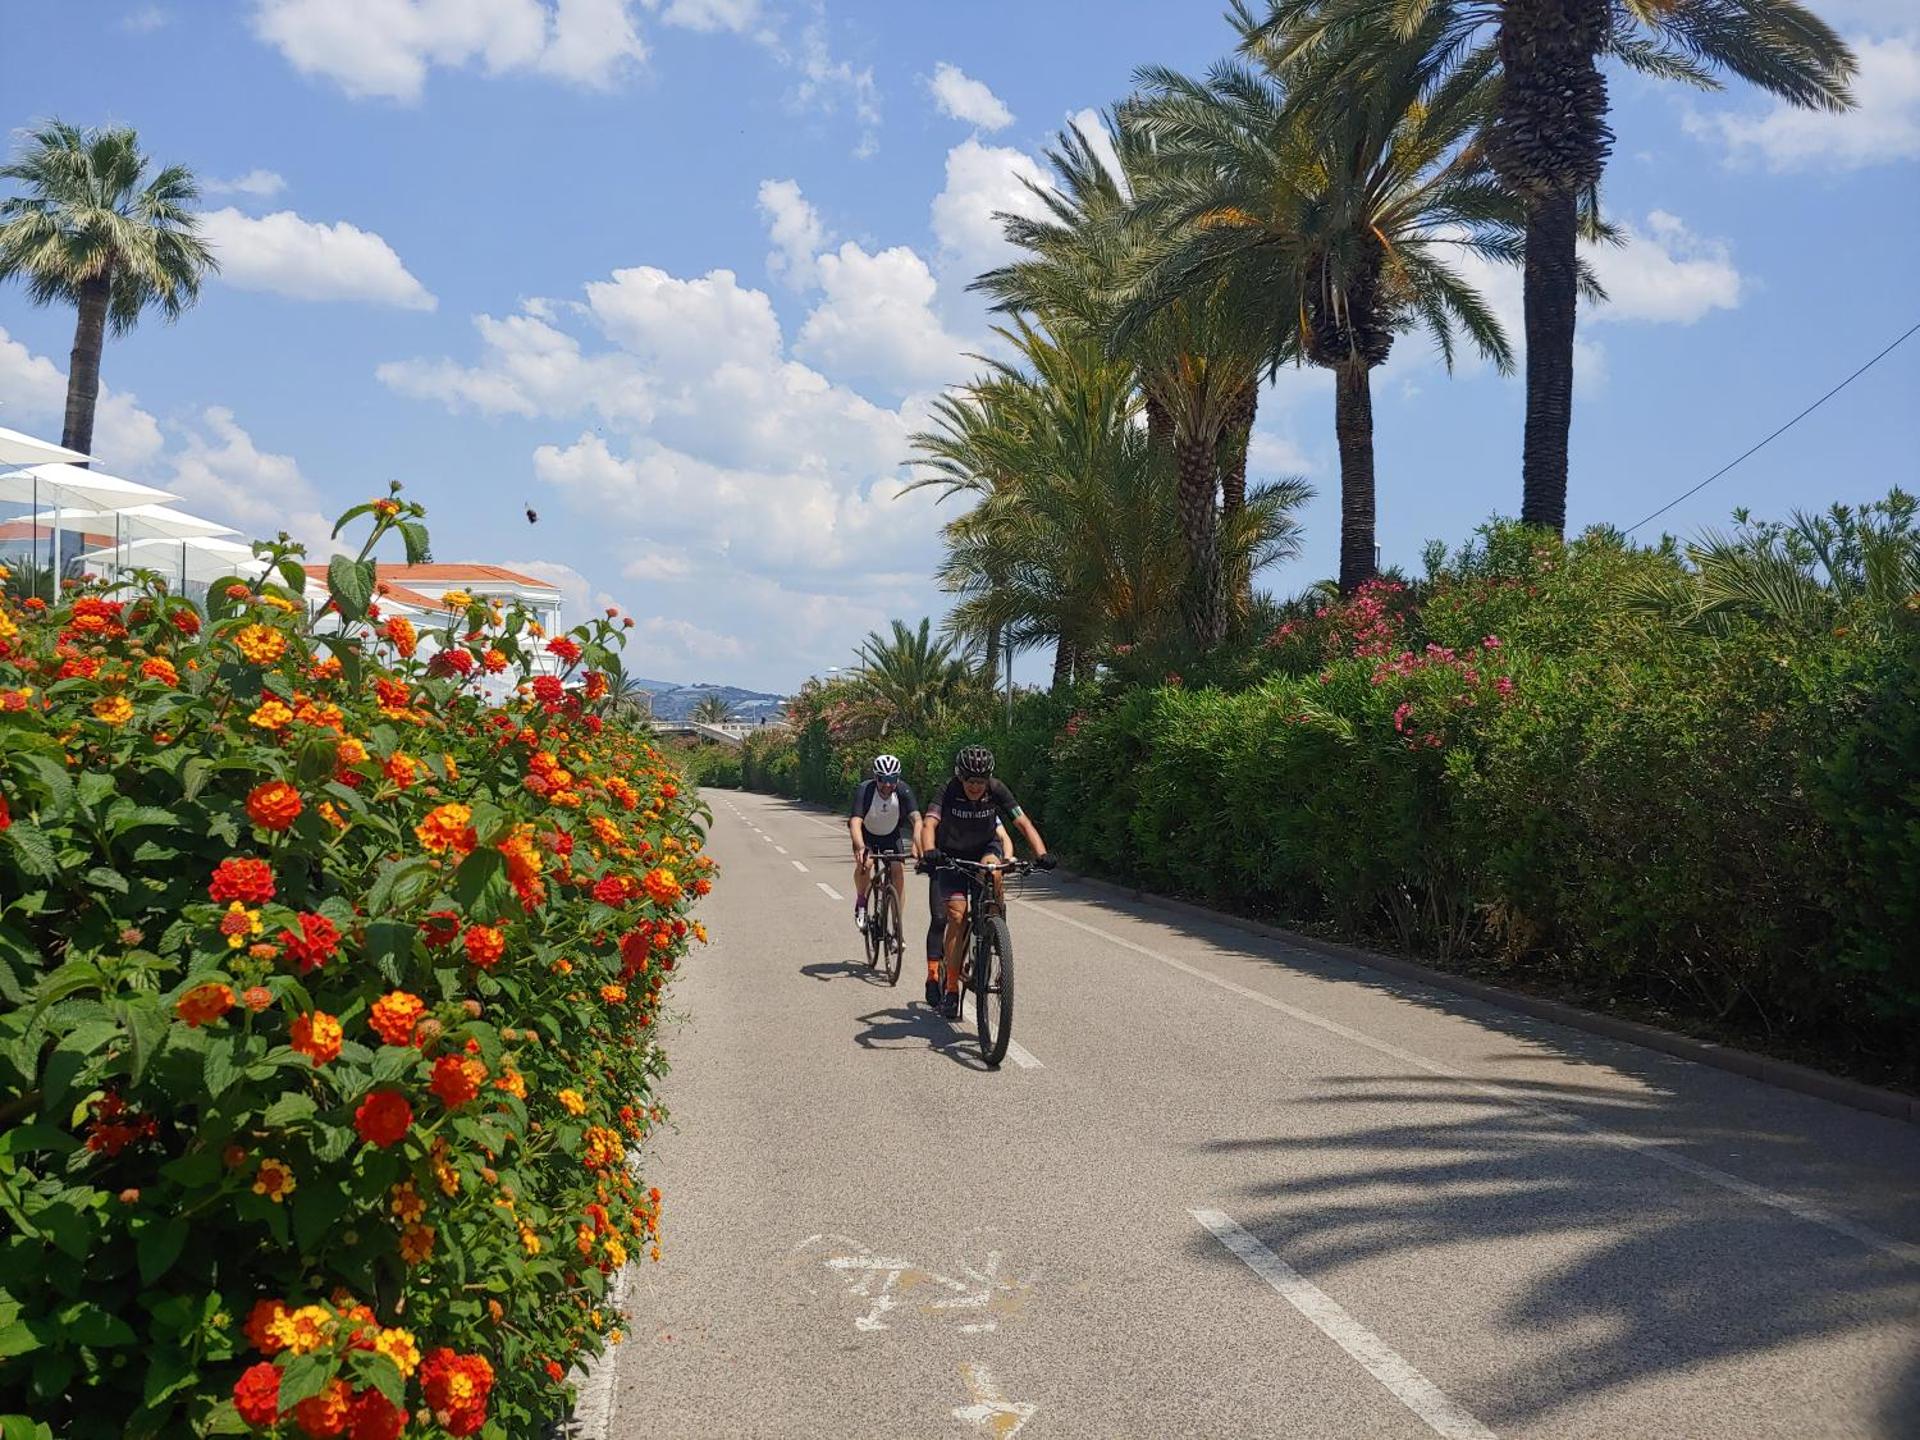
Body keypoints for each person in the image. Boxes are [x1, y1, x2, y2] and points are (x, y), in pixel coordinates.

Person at [916, 745, 1053, 1018]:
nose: (976, 787)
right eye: (970, 781)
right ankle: (951, 987)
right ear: (960, 776)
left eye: (981, 781)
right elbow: (930, 823)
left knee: (994, 870)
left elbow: (1022, 822)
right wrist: (930, 851)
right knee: (957, 916)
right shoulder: (948, 790)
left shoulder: (997, 788)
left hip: (984, 848)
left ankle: (994, 927)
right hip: (951, 855)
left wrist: (1042, 854)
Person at [848, 754, 920, 932]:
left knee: (898, 870)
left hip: (890, 835)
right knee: (865, 864)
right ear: (875, 777)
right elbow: (855, 822)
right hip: (867, 835)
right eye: (882, 779)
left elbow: (917, 820)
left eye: (892, 779)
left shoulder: (903, 790)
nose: (887, 784)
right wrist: (860, 847)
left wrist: (917, 843)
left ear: (898, 778)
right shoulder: (865, 790)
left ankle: (896, 925)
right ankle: (861, 903)